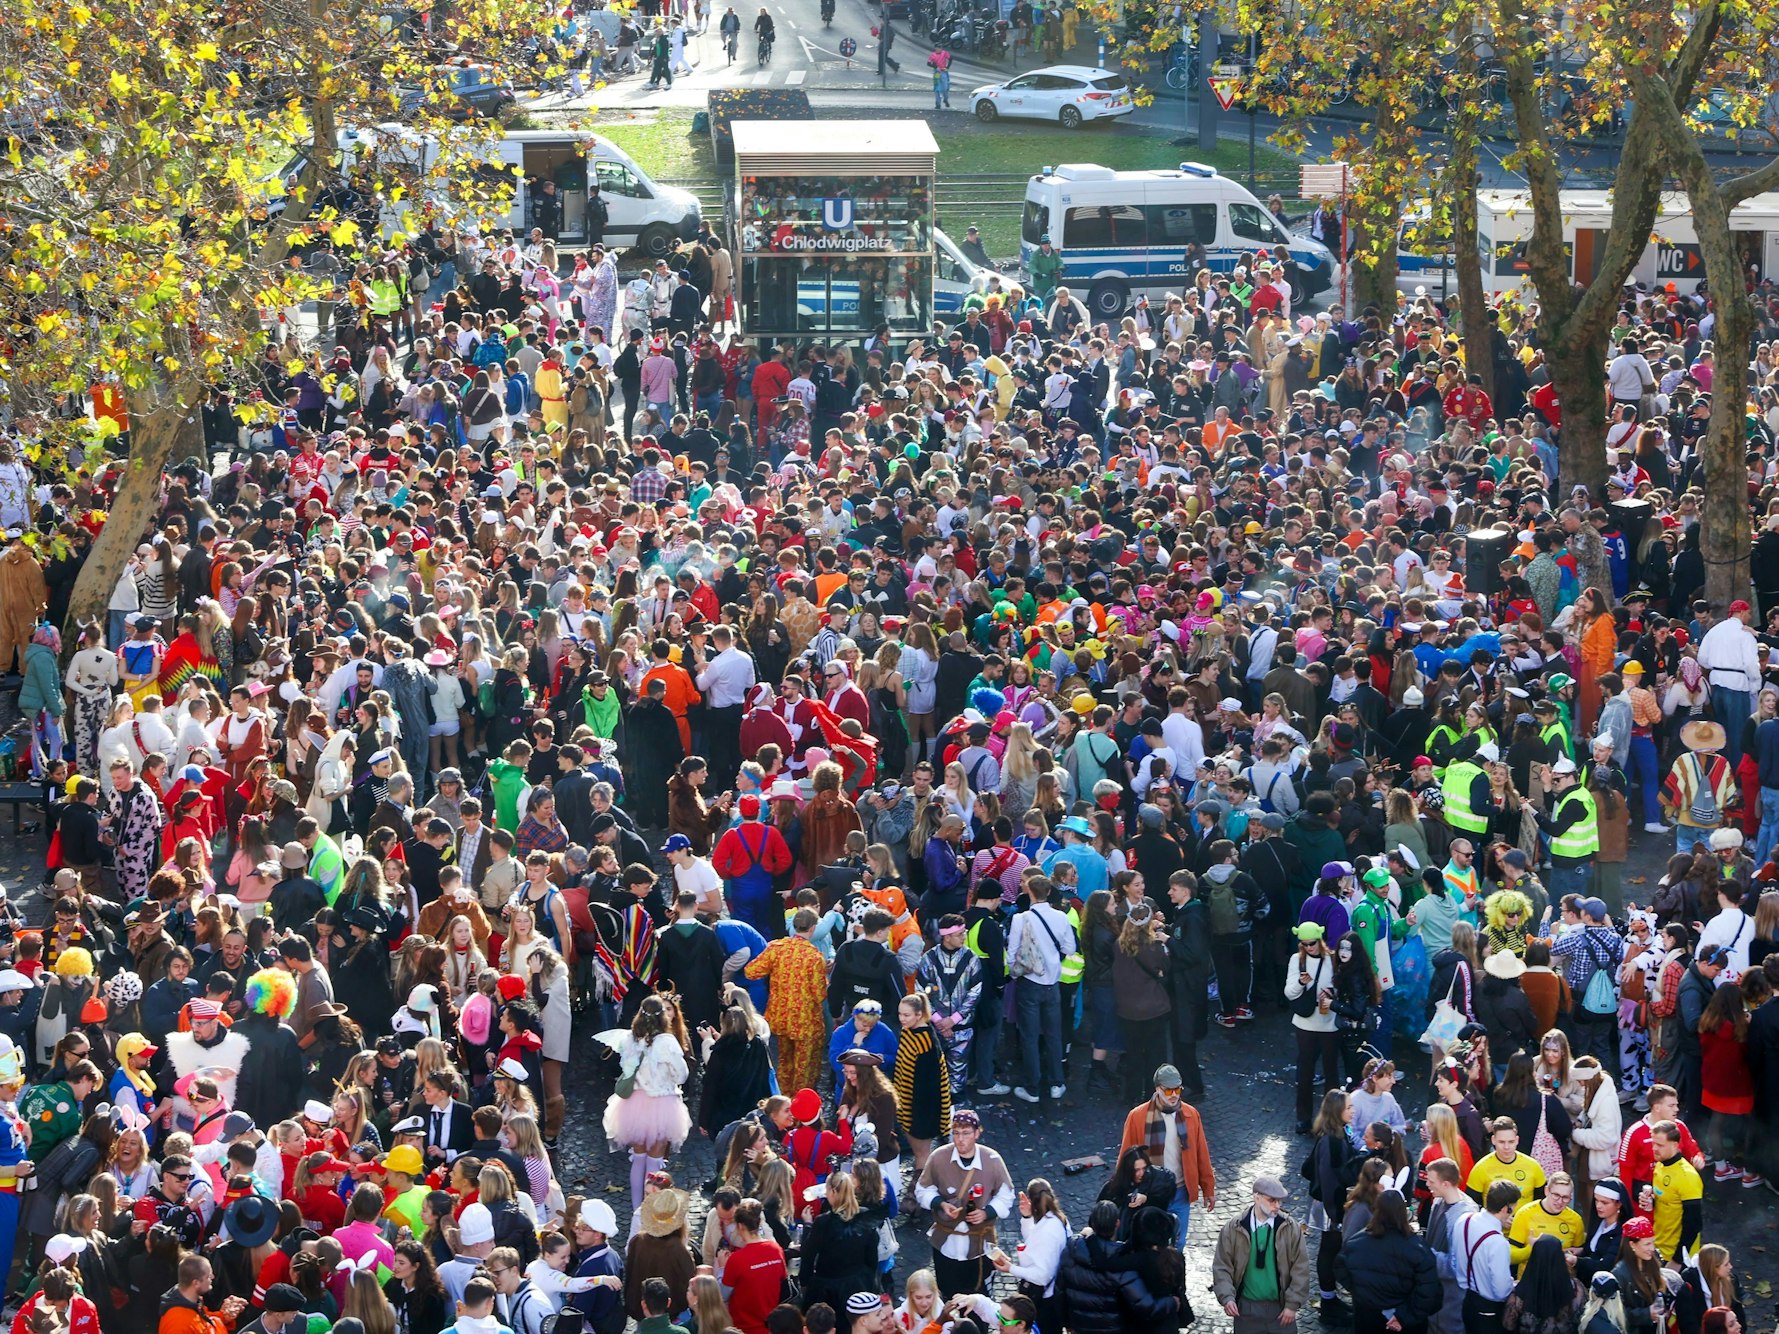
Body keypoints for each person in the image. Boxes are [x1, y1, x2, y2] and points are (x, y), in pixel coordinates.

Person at [913, 1108, 1014, 1298]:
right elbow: (922, 1189)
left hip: (980, 1247)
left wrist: (987, 1212)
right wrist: (940, 1204)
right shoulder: (938, 1157)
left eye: (966, 1133)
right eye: (956, 1133)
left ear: (977, 1133)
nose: (960, 1139)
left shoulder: (992, 1160)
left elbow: (1006, 1195)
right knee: (949, 1296)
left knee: (980, 1298)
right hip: (946, 1245)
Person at [1116, 1063, 1215, 1248]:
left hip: (1180, 1191)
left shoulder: (1191, 1115)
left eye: (1177, 1089)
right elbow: (1126, 1157)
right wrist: (1120, 1191)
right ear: (1158, 1089)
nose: (1174, 1095)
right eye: (1168, 1091)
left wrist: (1208, 1188)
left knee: (1178, 1244)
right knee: (1150, 1244)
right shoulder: (1137, 1117)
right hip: (1151, 1193)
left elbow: (1201, 1152)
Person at [1211, 1176, 1310, 1334]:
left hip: (1280, 1310)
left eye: (1279, 1201)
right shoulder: (1233, 1228)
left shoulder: (1291, 1228)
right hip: (1246, 1310)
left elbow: (1301, 1268)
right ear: (1256, 1198)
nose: (1277, 1206)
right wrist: (1227, 1297)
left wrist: (1292, 1305)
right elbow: (1222, 1266)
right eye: (1272, 1200)